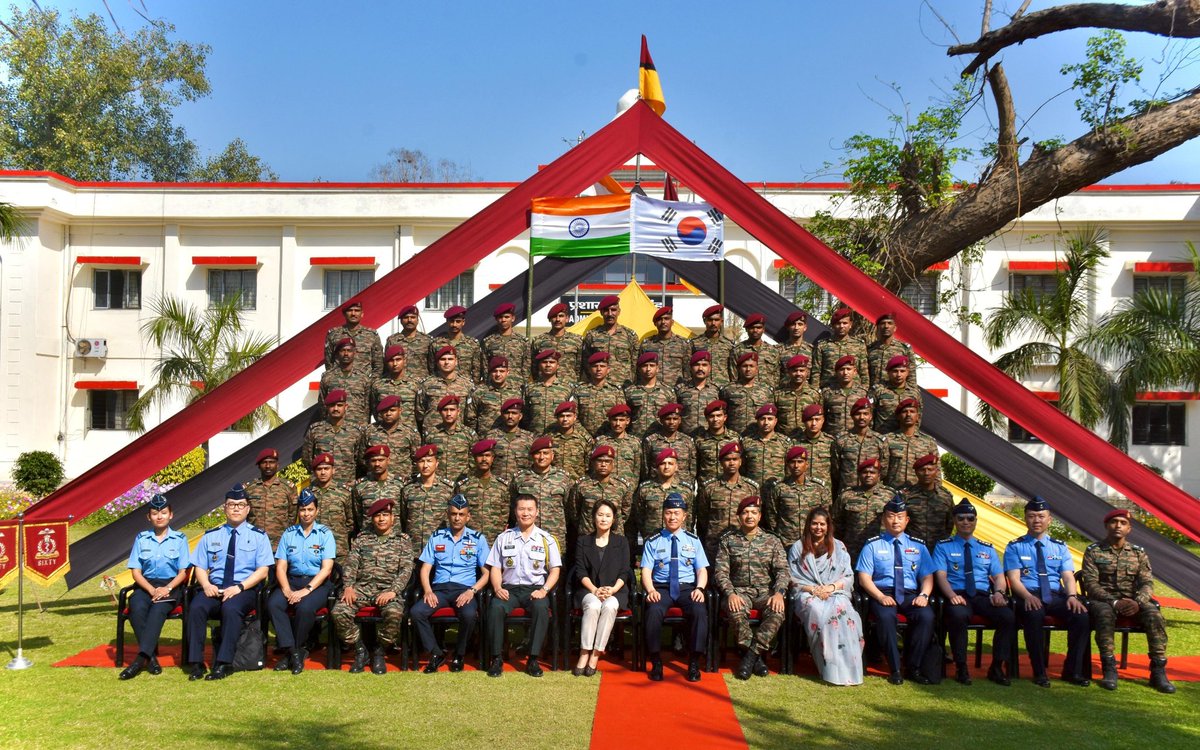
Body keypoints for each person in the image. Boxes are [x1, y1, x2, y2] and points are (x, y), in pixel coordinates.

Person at [185, 484, 274, 681]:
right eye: (231, 504)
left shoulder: (259, 537)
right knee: (197, 606)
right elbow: (199, 566)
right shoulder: (211, 536)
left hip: (244, 588)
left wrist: (240, 587)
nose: (236, 508)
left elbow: (263, 570)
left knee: (231, 609)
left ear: (248, 509)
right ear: (224, 508)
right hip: (214, 587)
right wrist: (207, 585)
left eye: (240, 505)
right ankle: (196, 663)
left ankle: (223, 663)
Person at [1082, 508, 1175, 693]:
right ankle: (1109, 668)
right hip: (1104, 601)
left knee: (1154, 615)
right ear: (1106, 526)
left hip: (1134, 602)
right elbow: (1091, 584)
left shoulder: (1138, 553)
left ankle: (1158, 671)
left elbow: (1147, 582)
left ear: (1129, 529)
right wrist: (1114, 602)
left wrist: (1138, 602)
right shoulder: (1094, 551)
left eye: (1123, 523)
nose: (1118, 526)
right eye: (1114, 522)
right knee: (1104, 614)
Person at [1004, 496, 1091, 688]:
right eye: (1032, 516)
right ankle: (1040, 672)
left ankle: (1072, 671)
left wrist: (1072, 597)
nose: (1037, 520)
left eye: (1041, 516)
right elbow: (1014, 579)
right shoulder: (1015, 546)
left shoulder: (1059, 547)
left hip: (1056, 595)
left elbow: (1068, 576)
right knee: (1033, 615)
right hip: (1029, 594)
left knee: (1081, 616)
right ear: (1025, 519)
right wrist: (1026, 596)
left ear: (1049, 520)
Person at [933, 498, 1015, 686]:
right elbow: (941, 576)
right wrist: (952, 596)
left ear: (976, 521)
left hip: (982, 595)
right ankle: (961, 666)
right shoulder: (943, 546)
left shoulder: (987, 548)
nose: (966, 522)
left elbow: (999, 576)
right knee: (958, 616)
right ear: (954, 521)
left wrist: (999, 593)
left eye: (970, 518)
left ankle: (996, 667)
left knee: (1008, 617)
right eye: (961, 518)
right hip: (957, 594)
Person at [855, 495, 936, 685]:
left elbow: (927, 576)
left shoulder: (918, 546)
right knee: (885, 617)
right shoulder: (872, 545)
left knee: (926, 616)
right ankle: (895, 668)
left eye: (900, 516)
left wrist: (924, 595)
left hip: (910, 594)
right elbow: (864, 578)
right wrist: (880, 596)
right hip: (882, 592)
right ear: (884, 519)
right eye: (891, 516)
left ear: (907, 520)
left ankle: (913, 667)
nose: (895, 520)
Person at [332, 498, 414, 675]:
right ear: (372, 519)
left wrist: (393, 591)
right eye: (378, 516)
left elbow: (406, 569)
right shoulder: (362, 539)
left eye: (385, 515)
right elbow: (351, 564)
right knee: (339, 612)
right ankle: (360, 650)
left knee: (394, 613)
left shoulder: (403, 540)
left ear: (393, 518)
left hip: (389, 589)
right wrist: (348, 586)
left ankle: (379, 650)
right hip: (362, 588)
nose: (382, 519)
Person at [484, 494, 563, 677]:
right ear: (515, 512)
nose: (525, 513)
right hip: (509, 589)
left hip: (534, 590)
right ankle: (496, 658)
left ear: (537, 512)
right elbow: (495, 567)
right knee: (495, 607)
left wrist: (544, 590)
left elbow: (555, 570)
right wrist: (497, 588)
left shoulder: (546, 539)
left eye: (529, 509)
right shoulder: (504, 537)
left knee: (541, 608)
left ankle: (533, 659)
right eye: (521, 509)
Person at [411, 495, 490, 673]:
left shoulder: (478, 539)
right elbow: (425, 569)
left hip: (464, 589)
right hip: (439, 590)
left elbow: (487, 573)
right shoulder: (437, 537)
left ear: (468, 517)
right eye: (454, 513)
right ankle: (436, 653)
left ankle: (459, 654)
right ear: (448, 515)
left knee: (469, 615)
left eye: (461, 514)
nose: (457, 518)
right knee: (416, 612)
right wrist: (428, 591)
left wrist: (472, 591)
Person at [118, 493, 191, 680]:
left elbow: (183, 572)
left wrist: (166, 589)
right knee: (137, 607)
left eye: (164, 513)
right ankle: (150, 658)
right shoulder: (142, 539)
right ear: (148, 517)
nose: (159, 517)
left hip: (171, 585)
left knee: (158, 609)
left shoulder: (180, 539)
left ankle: (138, 662)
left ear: (171, 515)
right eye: (155, 513)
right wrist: (151, 590)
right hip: (146, 585)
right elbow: (135, 571)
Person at [715, 496, 789, 680]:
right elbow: (720, 573)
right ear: (739, 516)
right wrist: (730, 594)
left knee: (777, 612)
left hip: (765, 592)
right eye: (745, 512)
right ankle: (756, 659)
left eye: (753, 512)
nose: (749, 516)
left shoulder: (772, 541)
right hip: (739, 592)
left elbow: (782, 571)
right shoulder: (728, 541)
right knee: (736, 611)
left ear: (760, 516)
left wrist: (779, 593)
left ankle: (749, 657)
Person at [788, 507, 863, 686]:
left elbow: (848, 576)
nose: (818, 527)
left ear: (828, 526)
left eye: (822, 524)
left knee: (843, 612)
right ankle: (829, 668)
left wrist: (830, 587)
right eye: (814, 524)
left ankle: (847, 667)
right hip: (807, 594)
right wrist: (813, 590)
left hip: (834, 591)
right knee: (819, 611)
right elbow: (791, 578)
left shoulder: (839, 547)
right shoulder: (798, 548)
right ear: (808, 525)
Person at [267, 489, 336, 674]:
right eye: (303, 509)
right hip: (291, 581)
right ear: (298, 511)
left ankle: (290, 654)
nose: (306, 513)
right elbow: (281, 566)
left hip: (317, 584)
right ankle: (294, 652)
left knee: (305, 608)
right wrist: (287, 589)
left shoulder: (325, 534)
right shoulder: (289, 534)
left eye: (310, 509)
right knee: (274, 604)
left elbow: (326, 569)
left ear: (317, 511)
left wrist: (306, 590)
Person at [641, 494, 709, 682]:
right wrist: (650, 590)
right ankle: (656, 661)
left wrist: (700, 589)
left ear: (684, 516)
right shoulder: (653, 541)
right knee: (653, 610)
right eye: (669, 513)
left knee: (698, 610)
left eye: (676, 513)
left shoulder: (693, 541)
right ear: (663, 515)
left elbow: (701, 569)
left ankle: (694, 661)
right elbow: (646, 570)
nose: (672, 517)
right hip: (661, 588)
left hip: (688, 588)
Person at [572, 498, 632, 676]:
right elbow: (580, 571)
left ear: (613, 519)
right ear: (593, 518)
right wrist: (594, 590)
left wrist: (612, 590)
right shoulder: (583, 541)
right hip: (589, 589)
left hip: (615, 590)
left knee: (610, 605)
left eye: (608, 515)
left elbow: (624, 571)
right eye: (600, 515)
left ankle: (596, 654)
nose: (604, 519)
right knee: (593, 605)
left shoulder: (621, 542)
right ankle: (584, 652)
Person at [763, 445, 830, 549]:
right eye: (792, 462)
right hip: (786, 543)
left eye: (800, 462)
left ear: (806, 464)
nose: (796, 465)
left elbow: (826, 516)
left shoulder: (819, 489)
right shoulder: (779, 488)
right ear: (787, 465)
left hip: (813, 542)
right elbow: (772, 516)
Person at [453, 439, 511, 543]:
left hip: (495, 542)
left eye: (487, 455)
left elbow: (505, 516)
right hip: (469, 541)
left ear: (492, 458)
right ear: (474, 459)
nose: (484, 459)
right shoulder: (464, 487)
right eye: (480, 456)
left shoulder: (502, 487)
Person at [302, 388, 367, 481]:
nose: (336, 409)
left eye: (339, 405)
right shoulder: (315, 430)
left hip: (346, 485)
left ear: (346, 407)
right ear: (327, 407)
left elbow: (361, 461)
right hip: (320, 485)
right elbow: (307, 459)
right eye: (332, 405)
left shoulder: (356, 431)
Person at [243, 447, 297, 547]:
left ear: (277, 465)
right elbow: (244, 517)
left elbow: (292, 517)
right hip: (253, 544)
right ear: (259, 466)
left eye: (271, 462)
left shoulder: (288, 488)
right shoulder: (249, 489)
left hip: (279, 545)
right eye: (264, 462)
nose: (268, 466)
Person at [582, 295, 639, 386]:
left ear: (619, 312)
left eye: (613, 310)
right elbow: (586, 362)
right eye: (606, 310)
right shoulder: (592, 335)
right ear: (601, 312)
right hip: (599, 388)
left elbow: (635, 364)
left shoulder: (630, 335)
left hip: (623, 387)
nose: (610, 314)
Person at [309, 453, 354, 565]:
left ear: (333, 470)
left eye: (326, 468)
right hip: (313, 549)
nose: (323, 472)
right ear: (314, 472)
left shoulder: (344, 493)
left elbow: (351, 522)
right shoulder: (308, 493)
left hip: (338, 550)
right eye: (319, 469)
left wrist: (339, 536)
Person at [901, 453, 954, 549]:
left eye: (930, 470)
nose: (926, 473)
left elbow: (950, 524)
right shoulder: (906, 495)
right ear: (916, 472)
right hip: (912, 549)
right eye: (922, 470)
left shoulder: (946, 496)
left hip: (939, 550)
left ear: (936, 472)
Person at [810, 307, 868, 389]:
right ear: (833, 325)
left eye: (845, 323)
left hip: (854, 391)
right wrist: (815, 391)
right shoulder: (822, 345)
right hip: (829, 390)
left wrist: (864, 390)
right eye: (838, 323)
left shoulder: (859, 345)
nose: (841, 326)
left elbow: (864, 371)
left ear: (850, 324)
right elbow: (816, 371)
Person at [321, 337, 372, 425]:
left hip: (358, 428)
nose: (346, 354)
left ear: (354, 353)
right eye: (342, 350)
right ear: (337, 354)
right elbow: (322, 404)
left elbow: (368, 406)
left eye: (349, 350)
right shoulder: (328, 377)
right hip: (333, 427)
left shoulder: (364, 378)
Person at [324, 299, 383, 375]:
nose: (353, 313)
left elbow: (378, 364)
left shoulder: (371, 335)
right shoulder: (334, 334)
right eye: (350, 310)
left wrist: (372, 382)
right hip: (339, 382)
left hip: (364, 384)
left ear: (362, 314)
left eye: (357, 310)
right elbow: (329, 362)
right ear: (344, 314)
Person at [573, 351, 627, 436]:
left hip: (609, 438)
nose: (598, 369)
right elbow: (573, 417)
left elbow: (621, 417)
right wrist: (586, 436)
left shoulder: (616, 391)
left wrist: (606, 437)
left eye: (602, 366)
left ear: (608, 369)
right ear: (589, 369)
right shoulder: (579, 390)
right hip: (584, 438)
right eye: (595, 366)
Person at [625, 352, 675, 437]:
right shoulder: (630, 392)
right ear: (639, 369)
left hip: (659, 440)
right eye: (644, 366)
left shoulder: (667, 392)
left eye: (651, 365)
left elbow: (673, 417)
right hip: (636, 438)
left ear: (657, 368)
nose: (648, 369)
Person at [531, 302, 584, 383]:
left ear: (567, 318)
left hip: (568, 385)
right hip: (544, 386)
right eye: (554, 316)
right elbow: (534, 367)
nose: (558, 319)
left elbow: (580, 367)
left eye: (561, 316)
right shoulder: (538, 341)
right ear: (549, 319)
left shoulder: (577, 340)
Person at [639, 305, 692, 386]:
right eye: (660, 319)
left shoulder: (683, 344)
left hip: (676, 390)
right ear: (655, 323)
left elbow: (688, 371)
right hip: (654, 392)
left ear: (672, 322)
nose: (663, 322)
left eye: (666, 318)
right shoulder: (646, 344)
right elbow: (640, 370)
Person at [431, 305, 483, 383]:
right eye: (452, 321)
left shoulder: (472, 344)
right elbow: (432, 367)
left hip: (464, 387)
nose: (454, 325)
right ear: (447, 322)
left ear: (463, 322)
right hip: (441, 385)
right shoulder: (437, 343)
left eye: (458, 321)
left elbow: (477, 370)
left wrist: (473, 387)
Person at [481, 302, 530, 384]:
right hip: (494, 385)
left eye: (507, 317)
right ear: (496, 319)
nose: (503, 320)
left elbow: (526, 366)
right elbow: (485, 366)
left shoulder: (523, 342)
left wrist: (522, 383)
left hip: (515, 386)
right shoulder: (488, 342)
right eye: (500, 317)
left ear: (513, 318)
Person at [866, 312, 917, 388]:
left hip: (894, 395)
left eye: (890, 323)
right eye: (883, 323)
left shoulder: (904, 348)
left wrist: (911, 392)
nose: (886, 326)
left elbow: (911, 374)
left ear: (895, 328)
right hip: (874, 393)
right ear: (878, 327)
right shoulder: (870, 349)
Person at [675, 350, 720, 436]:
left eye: (704, 365)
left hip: (709, 439)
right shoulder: (680, 389)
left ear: (709, 368)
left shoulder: (716, 390)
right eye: (697, 365)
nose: (700, 368)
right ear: (691, 368)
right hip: (686, 438)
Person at [385, 304, 433, 382]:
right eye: (406, 317)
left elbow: (432, 366)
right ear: (401, 321)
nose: (409, 320)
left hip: (420, 384)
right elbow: (386, 365)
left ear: (417, 320)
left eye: (413, 317)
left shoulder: (427, 340)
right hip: (399, 384)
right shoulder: (392, 341)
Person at [692, 304, 734, 386]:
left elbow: (732, 370)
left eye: (716, 320)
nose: (713, 323)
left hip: (723, 387)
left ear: (721, 322)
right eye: (710, 320)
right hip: (701, 387)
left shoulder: (729, 344)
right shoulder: (694, 343)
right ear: (705, 321)